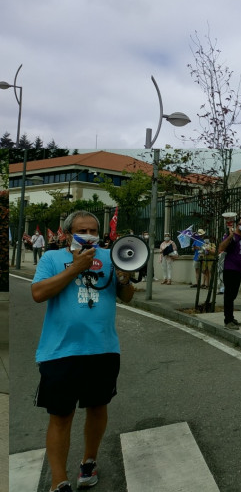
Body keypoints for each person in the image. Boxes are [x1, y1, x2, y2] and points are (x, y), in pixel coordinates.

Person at [31, 210, 135, 492]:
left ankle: (89, 462)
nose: (89, 235)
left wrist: (125, 278)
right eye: (82, 231)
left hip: (102, 348)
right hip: (60, 351)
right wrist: (74, 269)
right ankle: (58, 479)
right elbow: (38, 293)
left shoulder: (110, 257)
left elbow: (125, 297)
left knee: (97, 407)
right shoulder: (52, 258)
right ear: (67, 234)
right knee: (61, 415)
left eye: (93, 230)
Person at [217, 216, 241, 330]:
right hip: (230, 269)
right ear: (237, 225)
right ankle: (227, 321)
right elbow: (221, 248)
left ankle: (231, 318)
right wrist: (230, 236)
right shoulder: (231, 237)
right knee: (229, 295)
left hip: (238, 270)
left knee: (233, 295)